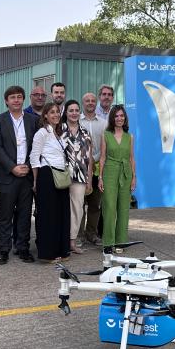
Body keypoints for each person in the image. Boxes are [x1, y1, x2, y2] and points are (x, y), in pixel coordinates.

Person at [0, 85, 39, 265]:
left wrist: (26, 166)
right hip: (7, 175)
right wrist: (12, 167)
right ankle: (4, 249)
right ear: (6, 101)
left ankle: (23, 248)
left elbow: (37, 146)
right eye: (12, 97)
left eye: (19, 97)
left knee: (25, 214)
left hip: (27, 175)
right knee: (6, 214)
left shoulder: (33, 120)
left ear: (23, 99)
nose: (16, 100)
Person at [30, 103, 72, 262]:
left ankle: (62, 250)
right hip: (47, 175)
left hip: (61, 175)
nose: (55, 115)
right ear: (45, 115)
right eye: (51, 112)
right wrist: (35, 181)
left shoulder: (59, 133)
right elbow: (34, 158)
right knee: (49, 216)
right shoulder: (42, 133)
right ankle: (48, 253)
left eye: (57, 112)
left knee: (62, 214)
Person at [98, 105, 136, 252]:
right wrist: (100, 177)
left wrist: (134, 177)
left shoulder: (130, 136)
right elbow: (102, 157)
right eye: (116, 116)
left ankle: (121, 242)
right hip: (110, 172)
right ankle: (108, 243)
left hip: (126, 173)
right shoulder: (105, 135)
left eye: (122, 116)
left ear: (125, 118)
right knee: (109, 208)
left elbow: (132, 158)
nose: (119, 118)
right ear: (112, 118)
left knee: (123, 208)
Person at [61, 100, 93, 254]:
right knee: (59, 208)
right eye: (70, 110)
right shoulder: (59, 130)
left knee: (77, 209)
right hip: (60, 175)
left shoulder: (86, 132)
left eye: (76, 110)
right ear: (65, 112)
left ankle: (72, 241)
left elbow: (90, 158)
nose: (74, 113)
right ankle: (59, 240)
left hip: (80, 176)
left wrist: (89, 179)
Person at [79, 92, 106, 246]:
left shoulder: (103, 123)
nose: (90, 103)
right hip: (80, 169)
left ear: (96, 103)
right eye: (87, 100)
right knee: (80, 203)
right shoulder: (78, 121)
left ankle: (92, 234)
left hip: (97, 169)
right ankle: (80, 235)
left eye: (92, 101)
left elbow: (105, 146)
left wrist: (94, 159)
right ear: (83, 103)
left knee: (95, 204)